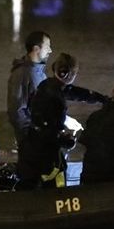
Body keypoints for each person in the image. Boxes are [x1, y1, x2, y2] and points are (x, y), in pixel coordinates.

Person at [16, 53, 106, 190]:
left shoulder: (48, 85)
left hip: (34, 145)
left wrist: (100, 98)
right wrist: (66, 141)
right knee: (55, 179)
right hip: (45, 153)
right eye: (75, 73)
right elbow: (47, 131)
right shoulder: (55, 97)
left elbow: (76, 93)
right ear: (69, 75)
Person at [6, 30, 52, 144]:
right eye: (48, 46)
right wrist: (29, 137)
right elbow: (16, 111)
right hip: (32, 139)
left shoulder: (39, 71)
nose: (50, 51)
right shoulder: (22, 74)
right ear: (36, 48)